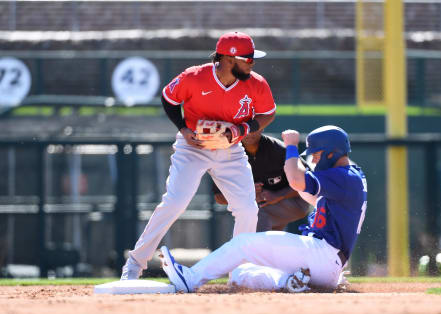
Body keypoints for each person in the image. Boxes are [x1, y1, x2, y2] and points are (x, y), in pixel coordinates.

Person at [121, 31, 276, 280]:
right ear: (228, 59)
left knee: (248, 209)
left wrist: (244, 129)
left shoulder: (256, 83)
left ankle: (240, 271)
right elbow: (169, 98)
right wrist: (183, 128)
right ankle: (135, 264)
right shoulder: (195, 77)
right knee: (174, 202)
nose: (252, 62)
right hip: (193, 148)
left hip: (230, 149)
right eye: (247, 58)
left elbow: (268, 113)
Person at [159, 125, 368, 292]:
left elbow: (296, 182)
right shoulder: (350, 176)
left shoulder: (344, 177)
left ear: (332, 153)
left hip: (322, 253)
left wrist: (292, 147)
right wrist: (294, 161)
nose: (313, 158)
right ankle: (289, 281)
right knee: (241, 274)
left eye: (317, 153)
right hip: (325, 265)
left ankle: (190, 278)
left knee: (243, 243)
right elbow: (304, 189)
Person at [213, 129, 311, 232]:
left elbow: (308, 182)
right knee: (256, 218)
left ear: (262, 127)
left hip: (293, 201)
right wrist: (245, 193)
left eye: (253, 128)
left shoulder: (278, 149)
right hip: (259, 205)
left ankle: (250, 246)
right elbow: (219, 197)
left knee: (256, 216)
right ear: (236, 130)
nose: (249, 133)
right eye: (244, 128)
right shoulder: (228, 154)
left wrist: (278, 195)